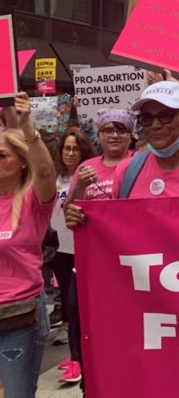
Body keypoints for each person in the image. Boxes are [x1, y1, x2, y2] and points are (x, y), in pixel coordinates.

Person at [65, 82, 179, 227]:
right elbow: (118, 230)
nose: (155, 125)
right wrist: (82, 219)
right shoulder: (127, 171)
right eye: (147, 118)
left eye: (166, 115)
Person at [61, 109, 134, 385]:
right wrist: (79, 184)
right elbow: (69, 213)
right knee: (89, 325)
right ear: (99, 135)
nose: (114, 135)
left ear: (130, 135)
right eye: (108, 130)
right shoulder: (85, 167)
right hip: (92, 266)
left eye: (121, 129)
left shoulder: (140, 163)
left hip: (131, 267)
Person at [0, 93, 56, 398]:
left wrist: (26, 129)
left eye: (2, 155)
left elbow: (45, 172)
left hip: (18, 320)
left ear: (22, 162)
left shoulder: (33, 201)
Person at [48, 128, 95, 372]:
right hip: (60, 249)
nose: (70, 152)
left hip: (83, 249)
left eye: (76, 148)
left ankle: (81, 357)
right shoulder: (55, 178)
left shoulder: (89, 176)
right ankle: (74, 356)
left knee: (78, 305)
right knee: (66, 304)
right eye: (67, 147)